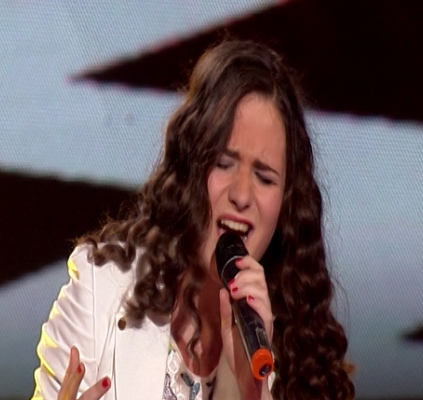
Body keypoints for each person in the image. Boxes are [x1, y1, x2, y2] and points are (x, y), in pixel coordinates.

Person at [31, 39, 355, 400]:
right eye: (224, 163)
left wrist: (252, 390)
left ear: (286, 204)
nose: (242, 195)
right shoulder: (100, 289)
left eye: (264, 177)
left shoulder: (301, 364)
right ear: (190, 168)